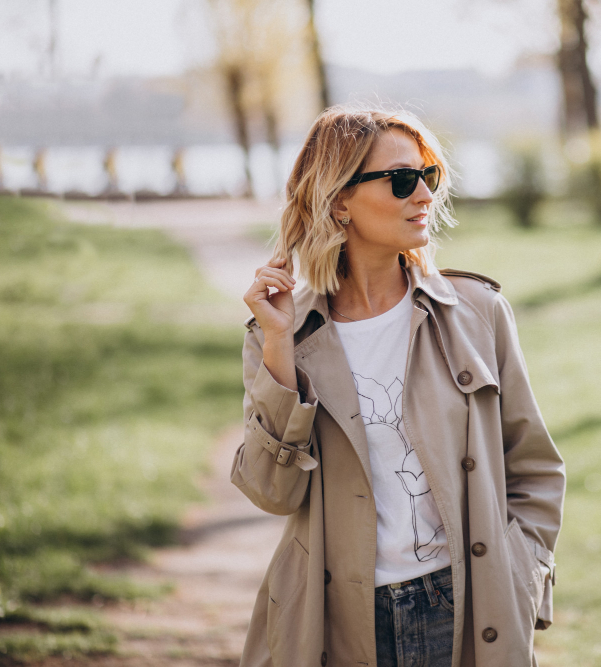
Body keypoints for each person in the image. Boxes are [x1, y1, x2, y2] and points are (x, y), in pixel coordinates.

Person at [234, 105, 565, 667]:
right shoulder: (286, 335)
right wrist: (277, 348)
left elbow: (534, 468)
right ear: (339, 200)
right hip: (337, 622)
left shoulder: (477, 314)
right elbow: (272, 493)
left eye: (428, 176)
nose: (424, 196)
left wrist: (520, 571)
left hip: (467, 611)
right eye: (402, 180)